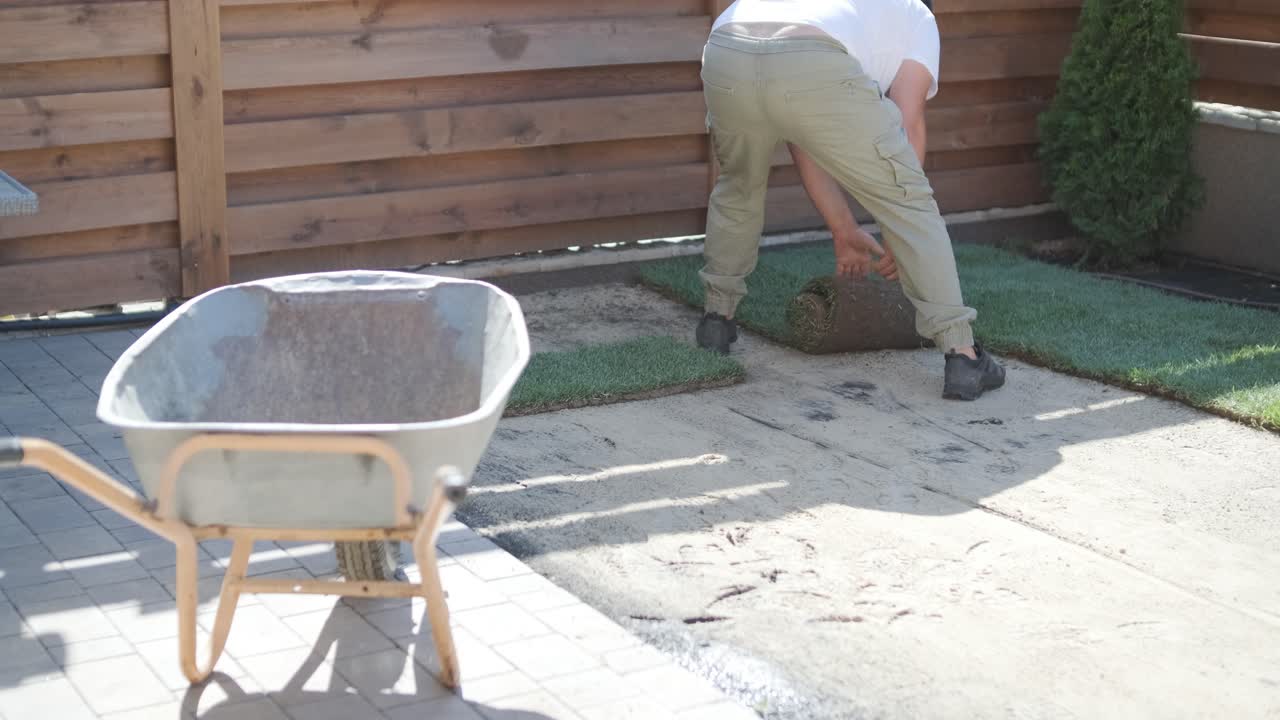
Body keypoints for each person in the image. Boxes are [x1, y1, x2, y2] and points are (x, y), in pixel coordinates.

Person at [695, 0, 1006, 401]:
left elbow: (802, 131)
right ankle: (963, 356)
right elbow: (907, 120)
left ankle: (716, 320)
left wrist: (843, 226)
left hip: (726, 49)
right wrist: (899, 227)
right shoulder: (918, 15)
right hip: (810, 59)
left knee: (737, 186)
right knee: (910, 199)